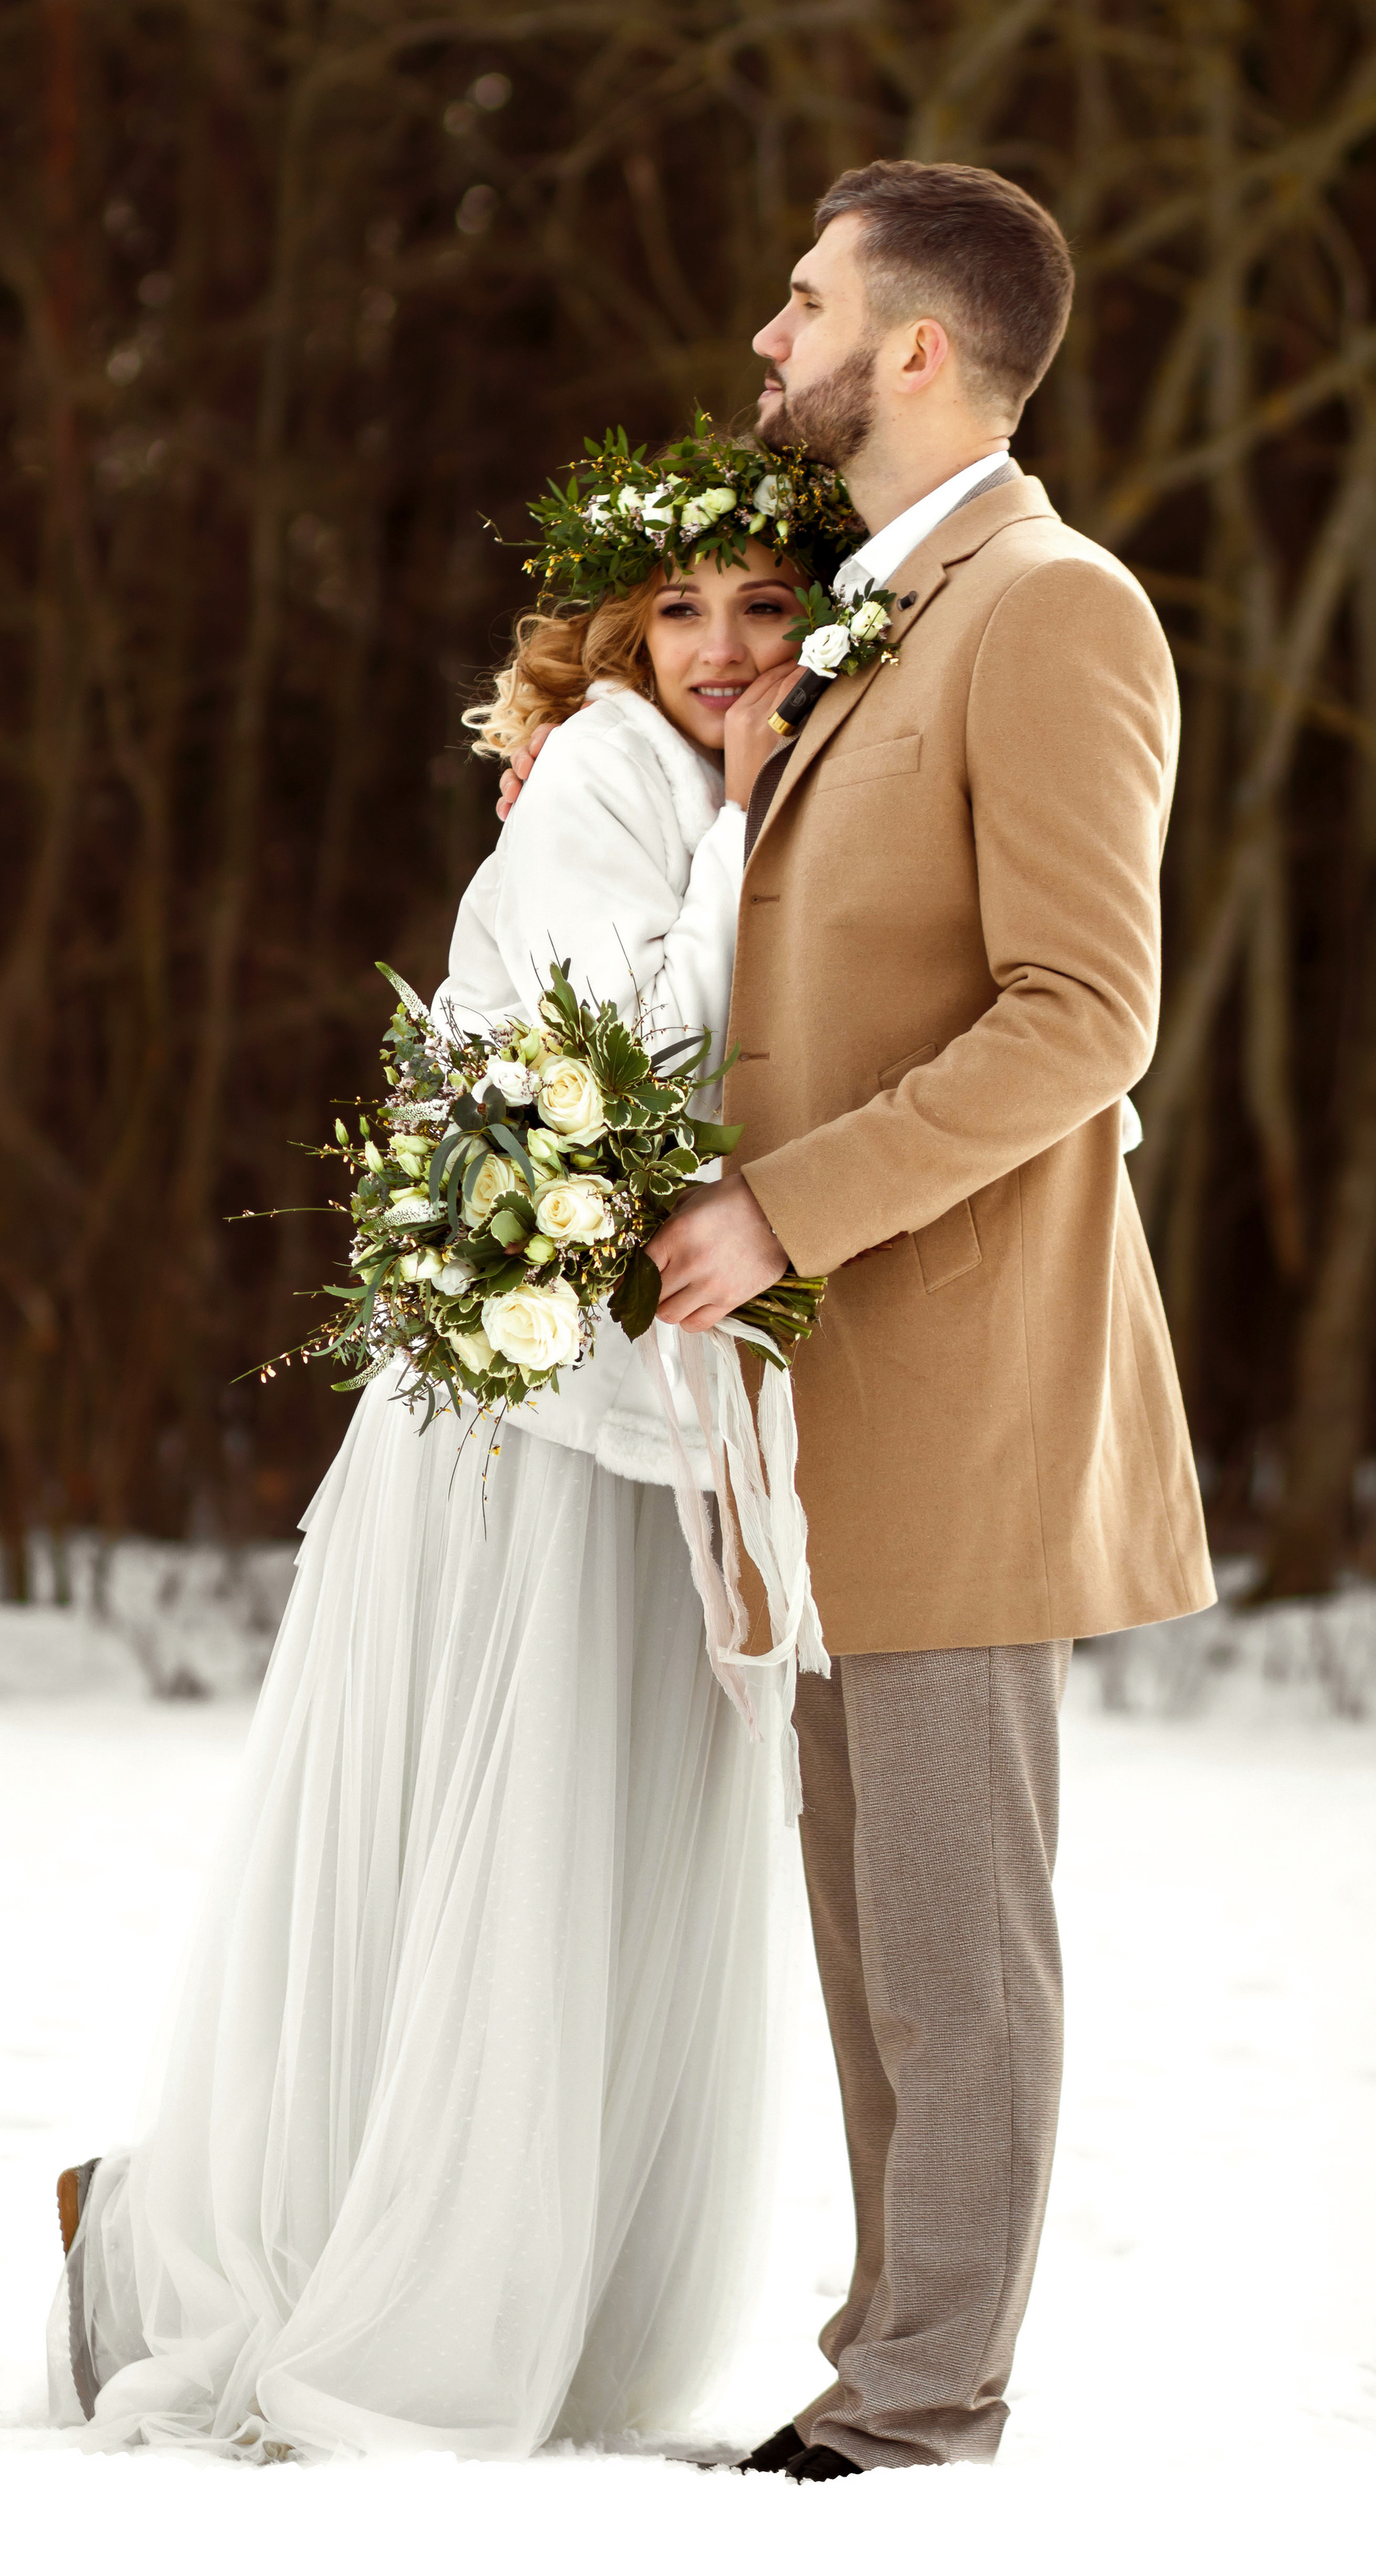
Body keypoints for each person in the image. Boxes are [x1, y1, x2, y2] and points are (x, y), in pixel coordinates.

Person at [46, 432, 850, 2460]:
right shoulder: (604, 776)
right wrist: (746, 826)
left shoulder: (739, 778)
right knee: (501, 1831)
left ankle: (514, 2285)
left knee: (595, 1845)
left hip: (649, 1396)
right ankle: (234, 2255)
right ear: (620, 634)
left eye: (764, 606)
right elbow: (653, 1052)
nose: (723, 649)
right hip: (533, 1419)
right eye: (679, 611)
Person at [640, 160, 1215, 2477]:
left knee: (956, 1935)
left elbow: (1085, 1015)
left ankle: (919, 2411)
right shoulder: (879, 612)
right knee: (872, 1929)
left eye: (804, 303)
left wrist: (778, 1211)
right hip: (818, 1399)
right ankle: (883, 2366)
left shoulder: (1054, 608)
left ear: (913, 349)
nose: (766, 336)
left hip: (964, 1379)